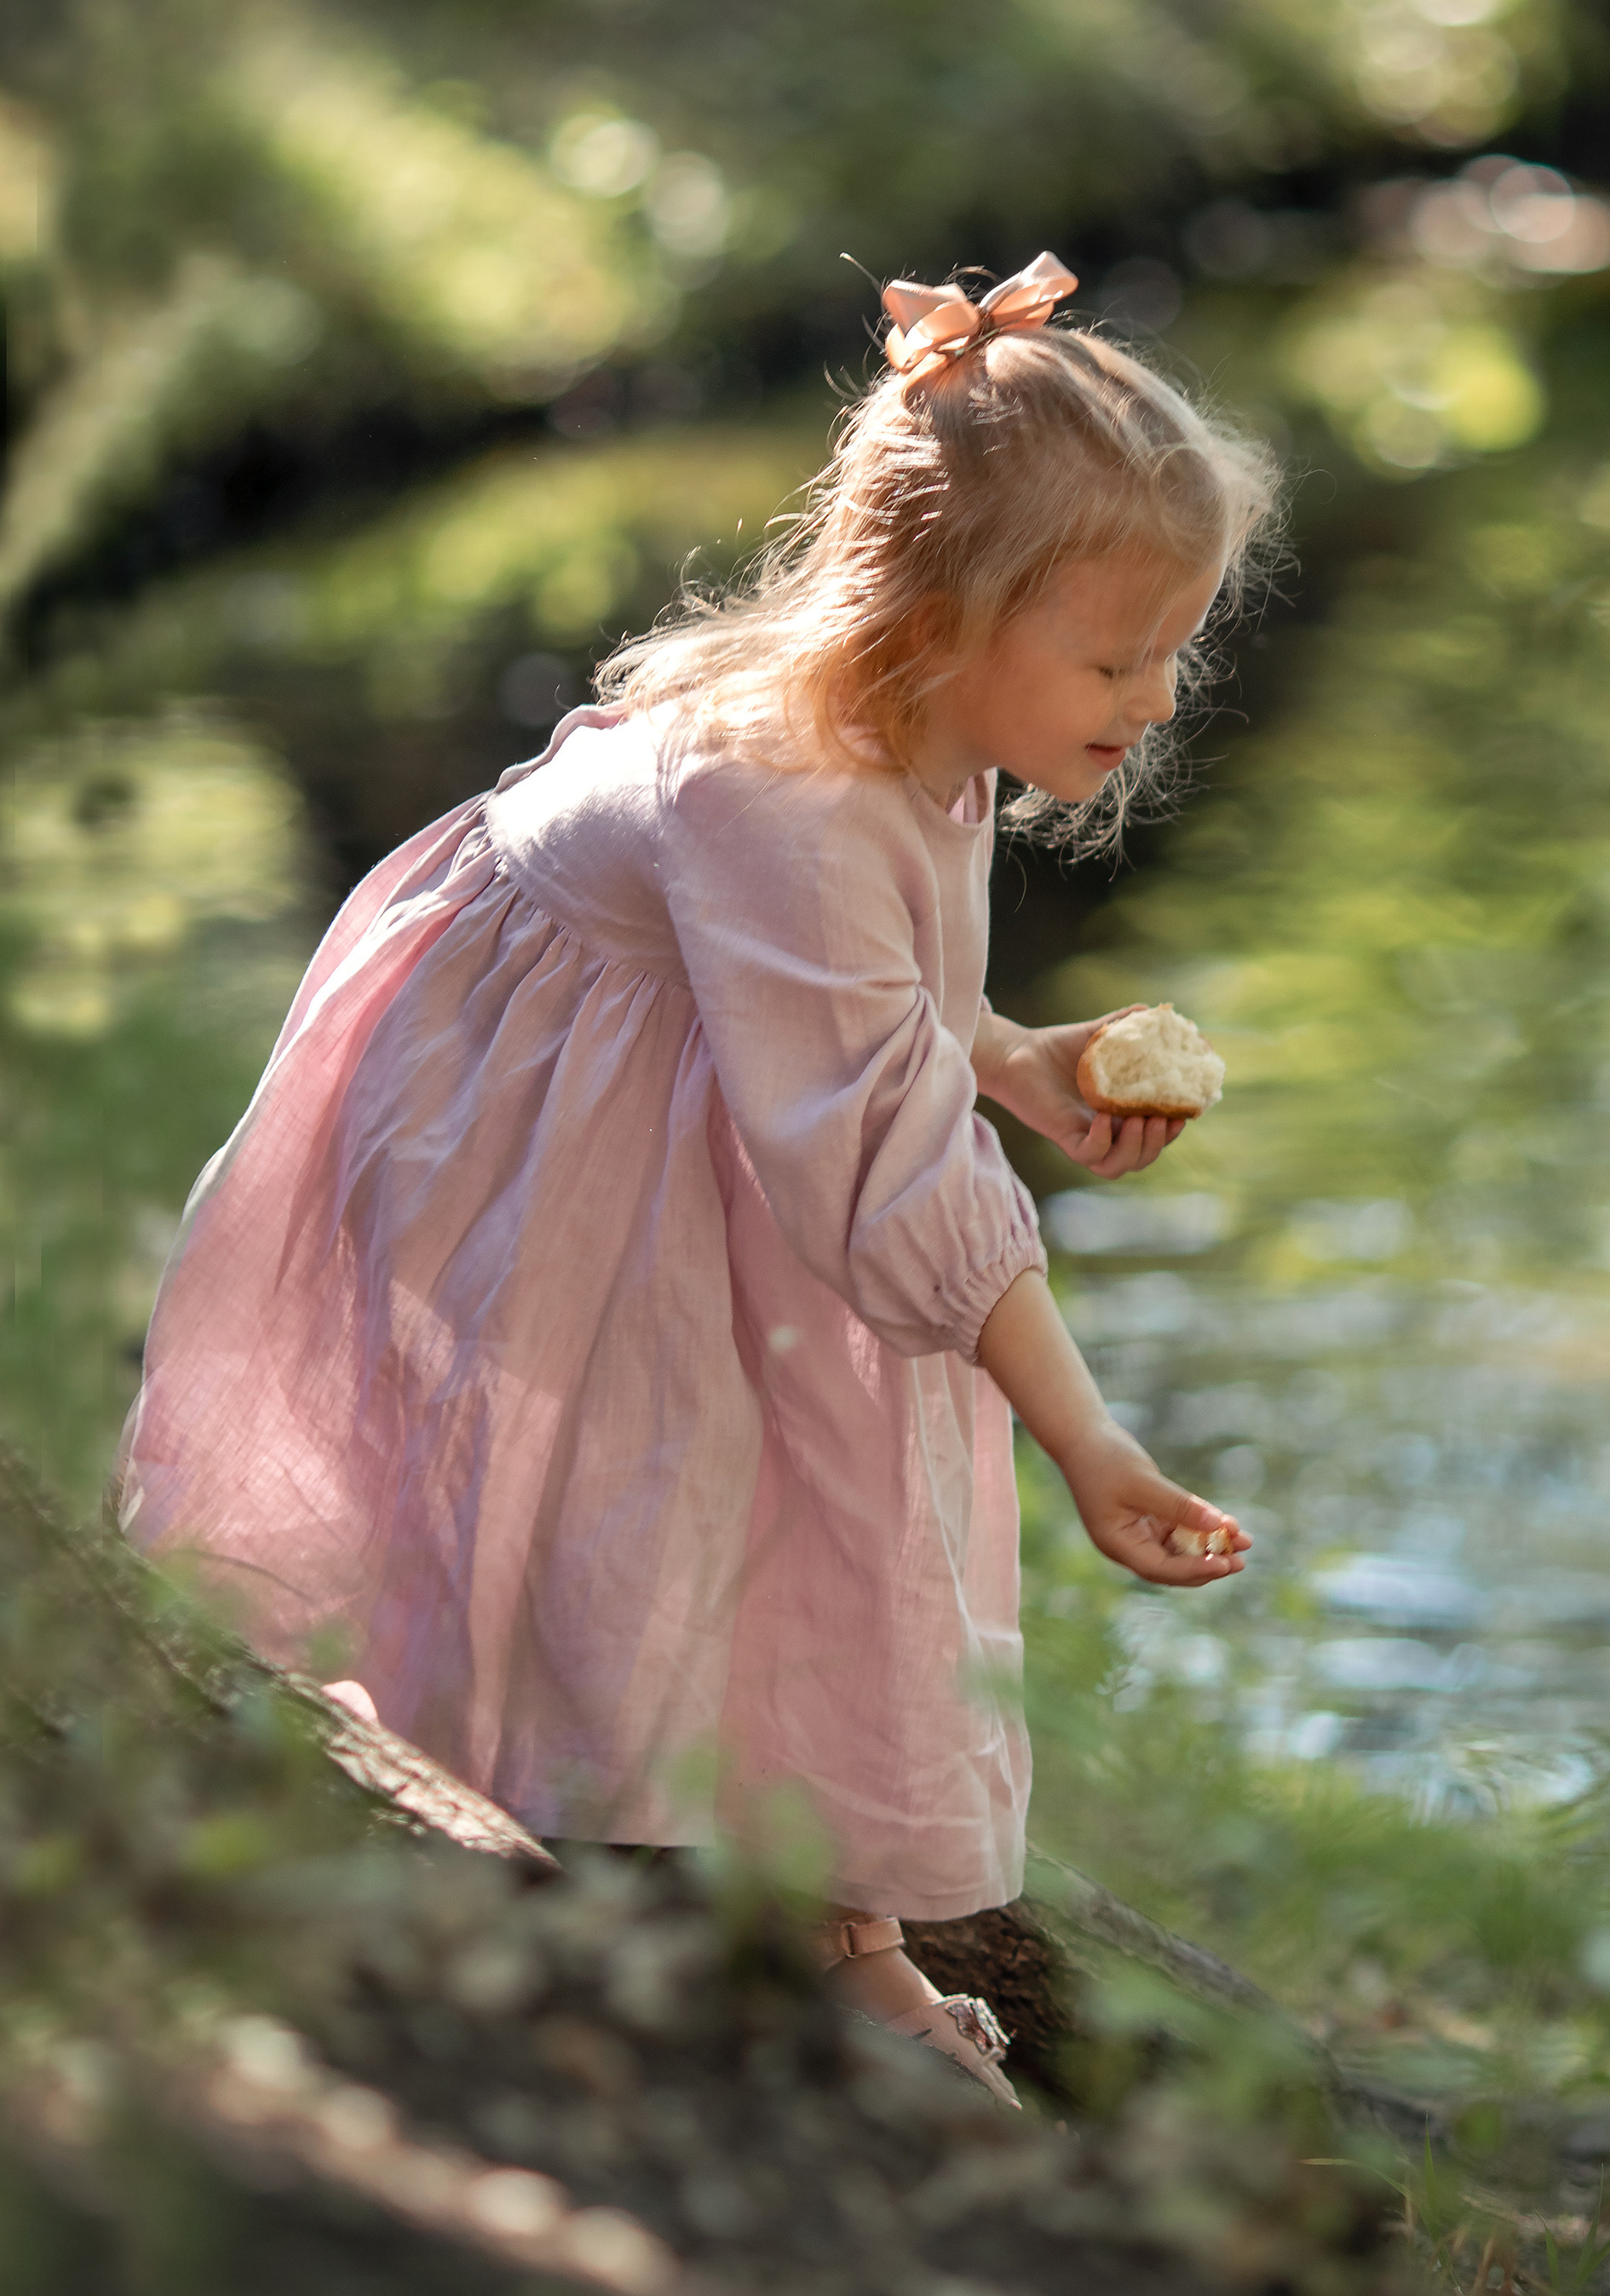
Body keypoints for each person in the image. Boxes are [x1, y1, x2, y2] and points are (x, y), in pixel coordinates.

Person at [115, 252, 1278, 2103]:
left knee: (784, 1452)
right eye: (1113, 653)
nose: (1151, 699)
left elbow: (876, 1005)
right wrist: (1090, 1447)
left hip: (683, 1077)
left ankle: (829, 1925)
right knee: (679, 1450)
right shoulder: (791, 790)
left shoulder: (923, 729)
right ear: (942, 609)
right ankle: (654, 1863)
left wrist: (1016, 1064)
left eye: (1171, 651)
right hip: (521, 1109)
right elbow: (885, 1153)